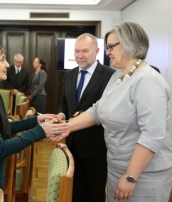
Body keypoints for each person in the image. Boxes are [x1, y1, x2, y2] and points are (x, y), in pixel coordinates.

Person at [51, 21, 172, 201]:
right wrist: (66, 127)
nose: (108, 52)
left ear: (129, 44)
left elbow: (152, 136)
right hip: (117, 167)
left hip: (143, 175)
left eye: (111, 46)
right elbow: (98, 110)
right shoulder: (118, 76)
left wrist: (130, 177)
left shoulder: (148, 81)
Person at [0, 38, 67, 201]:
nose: (7, 64)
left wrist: (35, 121)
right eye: (2, 60)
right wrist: (39, 132)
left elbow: (4, 127)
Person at [57, 33, 115, 202]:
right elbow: (64, 104)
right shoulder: (69, 75)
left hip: (96, 147)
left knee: (94, 193)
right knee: (75, 192)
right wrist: (61, 115)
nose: (79, 56)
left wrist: (87, 116)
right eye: (76, 51)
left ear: (97, 51)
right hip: (72, 143)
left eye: (84, 51)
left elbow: (111, 111)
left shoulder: (111, 75)